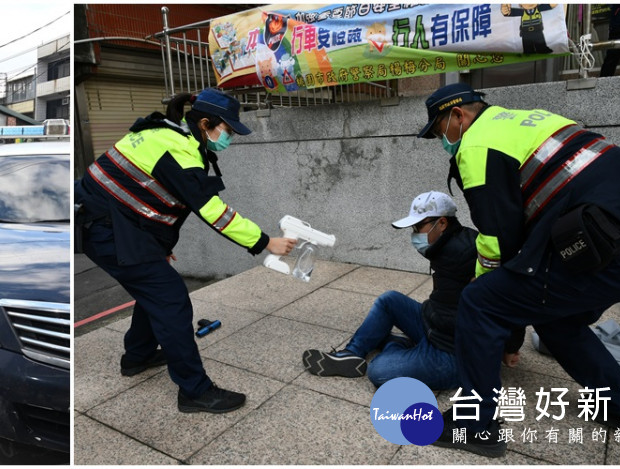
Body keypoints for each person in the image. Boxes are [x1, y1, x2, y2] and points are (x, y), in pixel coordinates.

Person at [416, 83, 620, 457]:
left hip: (607, 245)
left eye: (439, 131)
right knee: (557, 321)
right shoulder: (526, 120)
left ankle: (474, 425)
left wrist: (484, 283)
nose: (443, 140)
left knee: (480, 301)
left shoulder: (477, 144)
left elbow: (498, 238)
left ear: (458, 115)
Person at [75, 88, 297, 414]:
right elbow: (213, 211)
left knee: (155, 289)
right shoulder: (179, 151)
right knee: (170, 298)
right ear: (205, 123)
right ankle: (194, 391)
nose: (229, 137)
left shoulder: (163, 132)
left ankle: (138, 356)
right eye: (228, 130)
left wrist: (154, 245)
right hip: (107, 229)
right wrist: (266, 242)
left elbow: (142, 193)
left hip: (110, 222)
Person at [302, 191, 515, 390]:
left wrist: (511, 346)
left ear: (442, 223)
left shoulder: (469, 253)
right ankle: (351, 353)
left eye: (418, 227)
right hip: (436, 326)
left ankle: (398, 344)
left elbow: (510, 297)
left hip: (456, 355)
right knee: (389, 300)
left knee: (379, 371)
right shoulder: (445, 245)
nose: (414, 235)